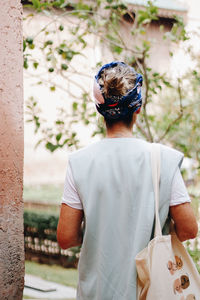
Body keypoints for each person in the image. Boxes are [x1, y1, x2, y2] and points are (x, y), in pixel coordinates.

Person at [57, 61, 198, 300]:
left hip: (96, 292)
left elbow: (66, 238)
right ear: (138, 109)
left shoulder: (79, 163)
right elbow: (189, 229)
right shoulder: (163, 159)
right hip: (150, 290)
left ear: (100, 110)